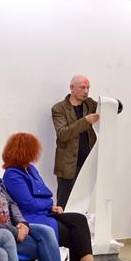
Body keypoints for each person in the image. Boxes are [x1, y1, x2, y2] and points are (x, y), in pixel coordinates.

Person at [2, 132, 107, 261]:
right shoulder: (12, 175)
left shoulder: (31, 170)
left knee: (79, 220)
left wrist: (51, 205)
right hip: (32, 219)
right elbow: (28, 203)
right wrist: (49, 204)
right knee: (75, 235)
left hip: (44, 214)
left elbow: (45, 194)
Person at [51, 75, 98, 207]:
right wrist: (85, 121)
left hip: (87, 164)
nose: (86, 91)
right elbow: (63, 134)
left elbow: (107, 108)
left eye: (88, 88)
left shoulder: (90, 104)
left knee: (86, 204)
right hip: (68, 166)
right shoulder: (59, 108)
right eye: (82, 87)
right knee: (65, 204)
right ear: (72, 88)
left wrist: (116, 104)